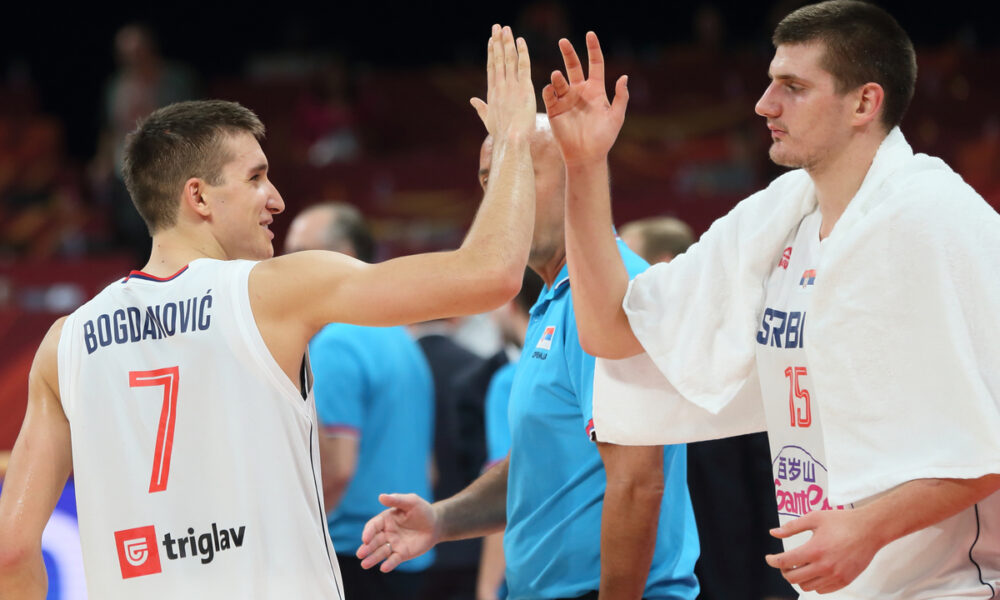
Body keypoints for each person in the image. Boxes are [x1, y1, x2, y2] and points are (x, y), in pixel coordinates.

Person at [0, 24, 537, 598]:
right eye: (256, 178)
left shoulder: (66, 342)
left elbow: (10, 552)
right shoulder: (273, 290)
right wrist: (513, 140)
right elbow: (493, 275)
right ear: (199, 196)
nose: (277, 198)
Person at [544, 1, 1000, 598]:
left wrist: (865, 529)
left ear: (864, 102)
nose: (765, 104)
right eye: (769, 82)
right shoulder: (779, 216)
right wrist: (584, 165)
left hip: (950, 586)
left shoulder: (938, 217)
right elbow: (609, 331)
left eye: (793, 87)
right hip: (832, 583)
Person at [356, 114, 700, 600]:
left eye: (515, 177)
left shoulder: (607, 290)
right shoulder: (555, 295)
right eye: (487, 183)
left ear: (578, 172)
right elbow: (544, 466)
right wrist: (441, 519)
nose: (500, 202)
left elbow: (639, 483)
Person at [620, 217, 793, 600]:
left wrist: (777, 585)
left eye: (629, 259)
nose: (620, 274)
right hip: (661, 574)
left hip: (736, 573)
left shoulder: (735, 346)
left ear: (664, 264)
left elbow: (771, 479)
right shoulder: (625, 357)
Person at [284, 202, 437, 599]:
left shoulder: (336, 342)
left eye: (298, 253)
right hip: (406, 557)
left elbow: (337, 469)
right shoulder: (402, 340)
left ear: (344, 258)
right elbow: (429, 467)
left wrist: (294, 542)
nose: (283, 268)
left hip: (356, 555)